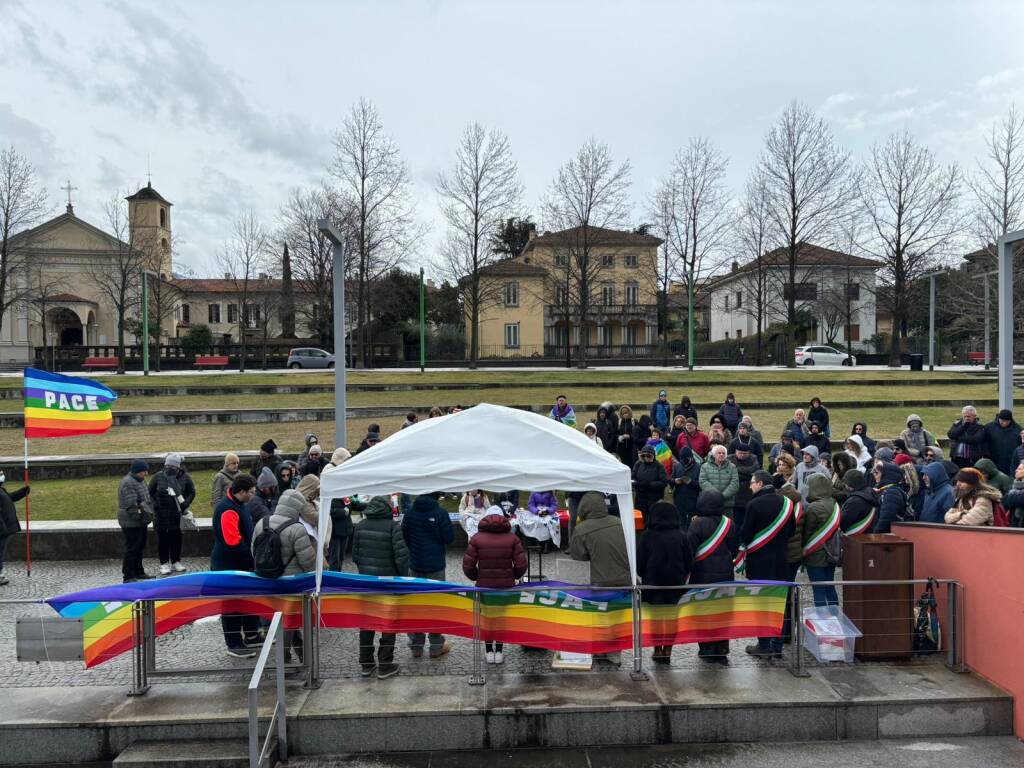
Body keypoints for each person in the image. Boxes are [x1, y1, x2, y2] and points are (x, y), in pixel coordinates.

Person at [252, 488, 316, 663]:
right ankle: (283, 660)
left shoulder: (262, 523)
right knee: (288, 621)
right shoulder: (297, 528)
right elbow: (308, 561)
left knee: (283, 619)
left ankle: (302, 654)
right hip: (290, 584)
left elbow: (254, 551)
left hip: (266, 580)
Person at [570, 492, 632, 665]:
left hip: (601, 582)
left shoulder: (582, 528)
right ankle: (615, 654)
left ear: (583, 509)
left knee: (600, 617)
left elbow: (578, 555)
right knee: (617, 619)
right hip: (624, 581)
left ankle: (600, 651)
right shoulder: (619, 522)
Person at [352, 495, 411, 679]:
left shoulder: (360, 526)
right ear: (387, 508)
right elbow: (401, 557)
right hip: (388, 583)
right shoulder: (393, 527)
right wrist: (401, 579)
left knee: (367, 623)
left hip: (367, 584)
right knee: (387, 622)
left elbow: (355, 555)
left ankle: (366, 663)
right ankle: (385, 664)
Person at [463, 506, 527, 664]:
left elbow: (468, 565)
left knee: (487, 618)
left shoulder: (476, 538)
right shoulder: (512, 538)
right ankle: (499, 651)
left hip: (484, 586)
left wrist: (477, 577)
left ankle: (488, 651)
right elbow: (521, 564)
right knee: (501, 619)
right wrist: (513, 576)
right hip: (506, 586)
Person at [742, 472, 796, 657]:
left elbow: (746, 535)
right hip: (781, 559)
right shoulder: (787, 503)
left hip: (759, 562)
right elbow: (791, 531)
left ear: (759, 484)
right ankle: (777, 646)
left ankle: (764, 645)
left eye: (752, 483)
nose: (750, 487)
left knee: (761, 604)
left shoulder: (754, 504)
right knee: (778, 603)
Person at [637, 500, 694, 664]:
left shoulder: (647, 535)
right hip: (675, 584)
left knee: (655, 619)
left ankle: (657, 650)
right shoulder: (681, 535)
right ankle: (668, 650)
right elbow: (689, 562)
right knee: (671, 619)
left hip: (653, 584)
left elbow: (640, 563)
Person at [212, 475, 261, 657]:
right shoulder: (228, 509)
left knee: (246, 601)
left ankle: (251, 635)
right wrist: (252, 559)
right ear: (241, 492)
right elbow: (233, 542)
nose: (253, 496)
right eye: (251, 492)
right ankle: (234, 643)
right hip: (228, 565)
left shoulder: (239, 505)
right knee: (232, 605)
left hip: (239, 563)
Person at [686, 490, 738, 663]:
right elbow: (734, 549)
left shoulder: (696, 524)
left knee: (703, 612)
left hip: (702, 575)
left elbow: (689, 550)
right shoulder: (728, 523)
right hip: (725, 574)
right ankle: (721, 650)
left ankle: (707, 649)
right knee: (722, 613)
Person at [403, 492, 454, 659]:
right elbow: (449, 538)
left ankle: (416, 645)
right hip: (436, 565)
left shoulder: (410, 512)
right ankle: (436, 645)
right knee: (436, 606)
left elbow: (406, 537)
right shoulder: (440, 513)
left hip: (416, 564)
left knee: (416, 606)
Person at [148, 454, 195, 575]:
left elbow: (192, 492)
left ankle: (176, 561)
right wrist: (155, 505)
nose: (169, 468)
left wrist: (185, 504)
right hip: (161, 515)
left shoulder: (185, 477)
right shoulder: (158, 477)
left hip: (177, 515)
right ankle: (164, 563)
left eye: (172, 466)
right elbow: (149, 492)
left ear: (178, 467)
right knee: (163, 540)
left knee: (176, 539)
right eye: (167, 465)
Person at [801, 474, 841, 607]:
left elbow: (807, 533)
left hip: (816, 554)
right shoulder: (834, 503)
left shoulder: (813, 508)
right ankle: (835, 618)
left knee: (818, 590)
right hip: (832, 553)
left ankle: (822, 621)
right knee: (830, 587)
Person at [117, 459, 150, 584]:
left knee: (139, 547)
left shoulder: (139, 480)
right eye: (144, 471)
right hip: (132, 522)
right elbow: (131, 505)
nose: (146, 473)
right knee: (132, 548)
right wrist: (140, 518)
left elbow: (146, 498)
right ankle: (128, 576)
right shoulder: (128, 483)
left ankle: (139, 572)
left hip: (141, 521)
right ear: (137, 471)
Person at [327, 448, 356, 571]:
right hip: (334, 529)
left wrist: (365, 504)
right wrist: (341, 512)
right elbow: (326, 506)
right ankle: (333, 582)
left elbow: (349, 501)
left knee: (341, 557)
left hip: (344, 527)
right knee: (335, 559)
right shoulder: (329, 472)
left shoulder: (340, 474)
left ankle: (337, 578)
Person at [633, 445, 669, 523]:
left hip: (654, 499)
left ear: (652, 455)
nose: (646, 458)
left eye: (648, 455)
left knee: (653, 520)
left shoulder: (659, 466)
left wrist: (649, 484)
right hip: (640, 498)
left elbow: (664, 482)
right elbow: (632, 477)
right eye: (643, 455)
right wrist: (637, 484)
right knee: (640, 520)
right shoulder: (638, 464)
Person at [728, 439, 759, 530]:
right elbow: (731, 473)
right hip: (735, 496)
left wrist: (737, 470)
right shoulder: (729, 458)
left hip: (748, 495)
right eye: (739, 453)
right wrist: (747, 474)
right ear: (736, 451)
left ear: (749, 453)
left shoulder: (754, 458)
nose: (741, 455)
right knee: (736, 522)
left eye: (744, 453)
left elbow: (755, 470)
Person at [872, 461, 909, 533]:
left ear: (887, 475)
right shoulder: (888, 490)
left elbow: (885, 519)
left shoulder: (892, 493)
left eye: (876, 473)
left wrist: (875, 535)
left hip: (886, 538)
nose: (874, 475)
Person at [699, 445, 739, 511]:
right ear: (714, 454)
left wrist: (722, 496)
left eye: (723, 453)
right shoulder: (704, 466)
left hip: (727, 504)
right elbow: (703, 482)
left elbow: (735, 483)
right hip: (710, 503)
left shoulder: (732, 467)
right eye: (719, 453)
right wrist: (715, 495)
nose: (721, 455)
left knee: (727, 521)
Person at [984, 409, 1022, 476]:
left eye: (1006, 421)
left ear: (1010, 420)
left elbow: (1020, 447)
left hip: (1010, 464)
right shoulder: (989, 428)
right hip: (993, 463)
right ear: (998, 418)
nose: (1004, 423)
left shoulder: (1018, 430)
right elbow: (984, 443)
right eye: (1002, 421)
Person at [670, 446, 701, 527]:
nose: (684, 460)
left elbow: (701, 485)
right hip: (679, 500)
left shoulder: (698, 467)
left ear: (691, 457)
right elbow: (670, 480)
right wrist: (675, 481)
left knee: (692, 525)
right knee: (680, 524)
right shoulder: (677, 466)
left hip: (693, 501)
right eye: (682, 458)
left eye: (686, 458)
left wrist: (691, 482)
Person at [840, 469, 879, 534]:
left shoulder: (854, 501)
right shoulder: (870, 492)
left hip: (854, 537)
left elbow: (843, 523)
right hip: (868, 534)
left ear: (850, 485)